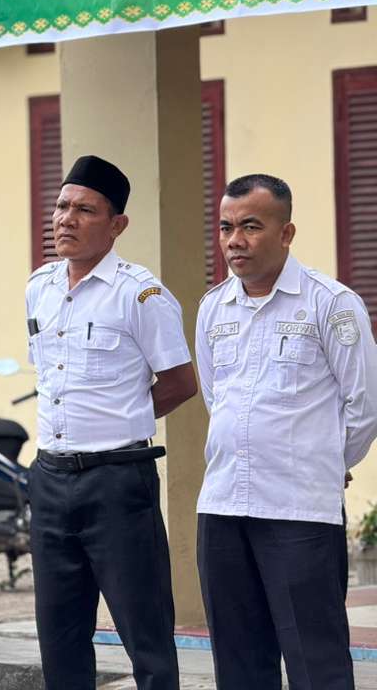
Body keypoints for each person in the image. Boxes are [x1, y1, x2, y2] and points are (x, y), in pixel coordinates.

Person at [195, 173, 377, 689]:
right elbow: (217, 398)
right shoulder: (213, 308)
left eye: (251, 226)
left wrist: (325, 461)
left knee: (315, 659)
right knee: (239, 661)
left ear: (287, 232)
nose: (235, 240)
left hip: (298, 511)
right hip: (224, 507)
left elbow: (364, 404)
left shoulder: (330, 303)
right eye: (227, 226)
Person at [24, 156, 198, 690]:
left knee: (144, 634)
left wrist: (120, 421)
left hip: (118, 481)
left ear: (116, 224)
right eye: (61, 206)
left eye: (84, 210)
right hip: (51, 479)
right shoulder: (40, 286)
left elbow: (181, 381)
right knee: (59, 635)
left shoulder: (139, 294)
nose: (66, 219)